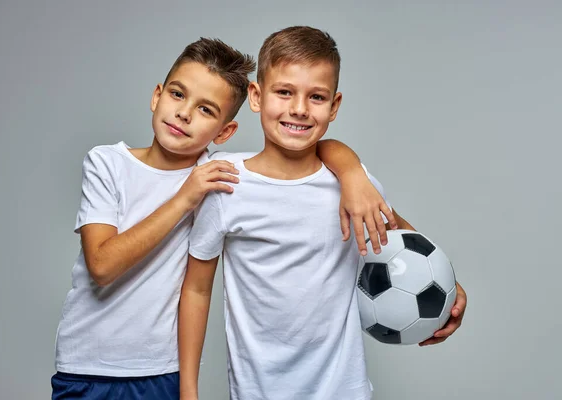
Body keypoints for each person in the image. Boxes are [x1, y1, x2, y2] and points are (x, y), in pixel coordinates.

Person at [52, 36, 395, 400]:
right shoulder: (126, 166)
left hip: (163, 368)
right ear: (157, 95)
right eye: (178, 95)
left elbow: (308, 151)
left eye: (206, 110)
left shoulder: (220, 177)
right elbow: (103, 265)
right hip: (88, 364)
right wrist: (185, 196)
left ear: (225, 131)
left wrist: (351, 169)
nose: (184, 114)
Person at [179, 26, 467, 400]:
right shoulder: (226, 184)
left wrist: (447, 285)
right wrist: (188, 390)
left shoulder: (352, 186)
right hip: (258, 392)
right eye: (284, 91)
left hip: (344, 390)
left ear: (334, 106)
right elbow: (197, 289)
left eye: (316, 97)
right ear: (256, 95)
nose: (299, 108)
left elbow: (403, 240)